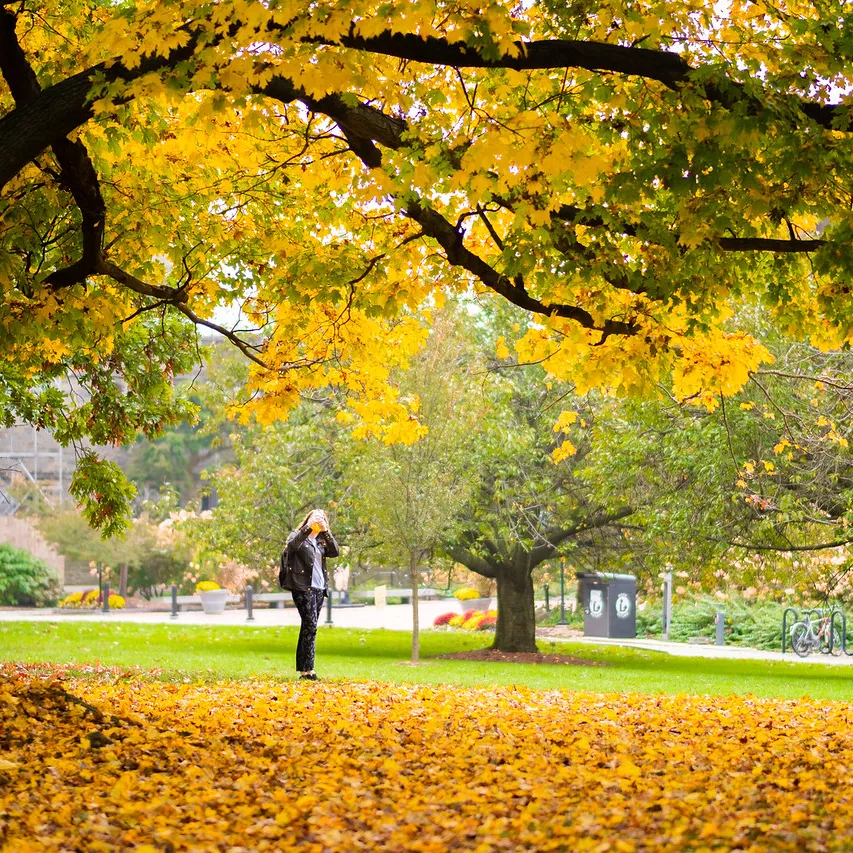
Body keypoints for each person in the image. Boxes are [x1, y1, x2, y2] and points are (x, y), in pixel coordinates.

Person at [284, 508, 339, 680]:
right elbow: (292, 546)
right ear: (308, 518)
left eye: (322, 517)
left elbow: (335, 552)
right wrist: (308, 527)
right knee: (310, 624)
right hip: (302, 587)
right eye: (316, 516)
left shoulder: (322, 540)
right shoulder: (298, 536)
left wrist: (326, 532)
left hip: (319, 587)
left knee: (310, 627)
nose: (319, 519)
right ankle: (307, 671)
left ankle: (307, 670)